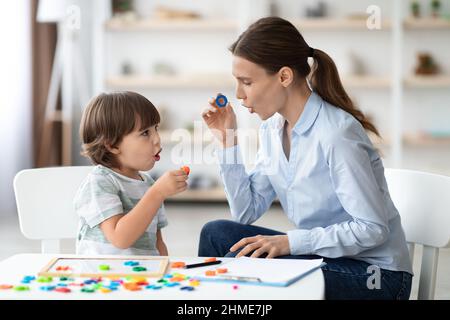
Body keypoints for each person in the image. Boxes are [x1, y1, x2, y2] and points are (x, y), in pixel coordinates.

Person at [199, 17, 413, 300]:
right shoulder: (273, 130)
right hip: (326, 258)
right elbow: (246, 211)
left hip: (376, 276)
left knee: (245, 264)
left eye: (247, 82)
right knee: (216, 234)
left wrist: (291, 242)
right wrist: (227, 140)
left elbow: (372, 229)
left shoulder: (337, 134)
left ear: (284, 77)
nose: (239, 95)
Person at [74, 91, 188, 255]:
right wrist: (157, 193)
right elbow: (120, 238)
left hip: (142, 278)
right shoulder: (100, 182)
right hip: (102, 278)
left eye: (156, 128)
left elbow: (158, 243)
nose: (157, 139)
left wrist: (166, 272)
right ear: (112, 145)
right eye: (145, 133)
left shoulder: (149, 184)